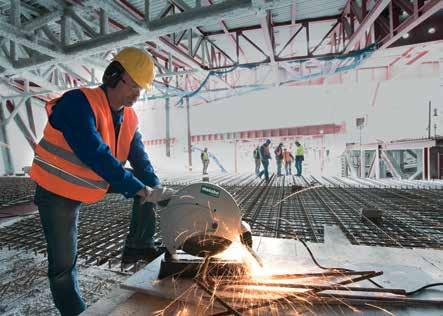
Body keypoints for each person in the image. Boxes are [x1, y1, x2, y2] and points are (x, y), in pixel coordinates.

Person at [29, 47, 176, 316]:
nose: (137, 94)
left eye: (141, 89)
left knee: (144, 184)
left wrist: (161, 194)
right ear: (114, 76)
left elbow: (141, 163)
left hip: (89, 182)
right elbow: (95, 154)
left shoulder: (129, 118)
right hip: (56, 189)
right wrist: (140, 189)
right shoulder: (78, 102)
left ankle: (138, 245)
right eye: (133, 85)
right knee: (63, 267)